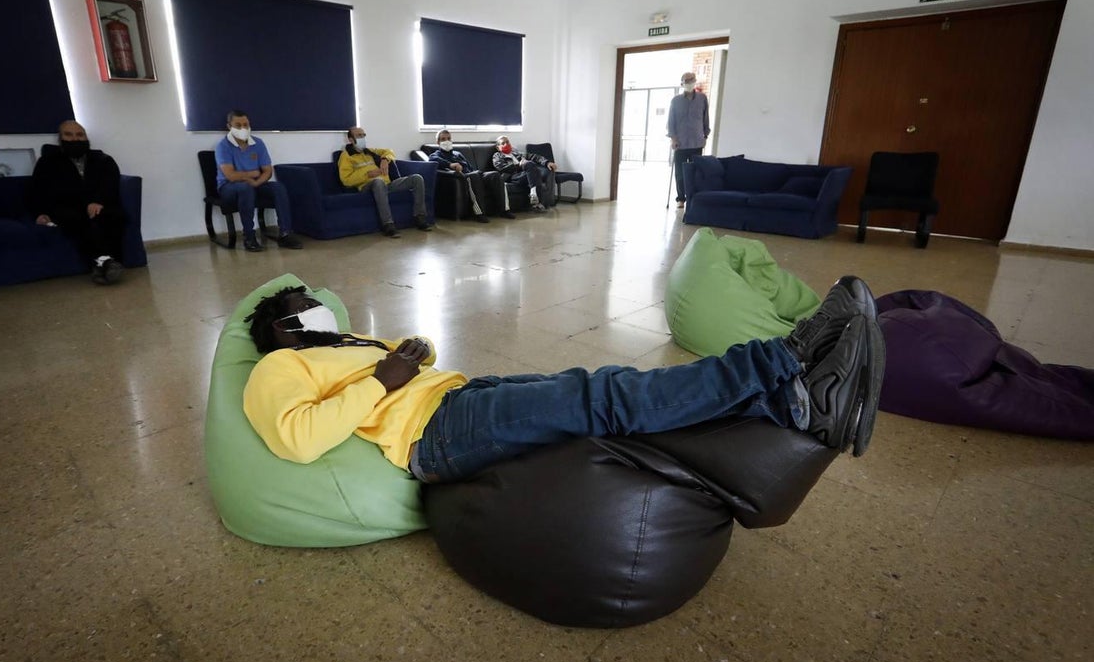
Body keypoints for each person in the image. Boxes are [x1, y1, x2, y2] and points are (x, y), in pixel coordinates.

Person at [242, 276, 885, 484]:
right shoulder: (277, 367)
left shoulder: (342, 341)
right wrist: (382, 379)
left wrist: (411, 355)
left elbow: (405, 367)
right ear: (283, 329)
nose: (318, 305)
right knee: (607, 397)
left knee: (596, 384)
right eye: (303, 305)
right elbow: (298, 439)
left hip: (458, 395)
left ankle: (792, 405)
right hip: (432, 436)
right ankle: (784, 358)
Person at [30, 120, 127, 285]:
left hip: (100, 205)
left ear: (86, 138)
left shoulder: (103, 160)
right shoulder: (47, 163)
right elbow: (38, 191)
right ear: (60, 139)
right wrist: (40, 213)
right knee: (77, 220)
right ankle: (107, 262)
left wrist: (98, 201)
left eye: (80, 135)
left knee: (112, 216)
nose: (75, 139)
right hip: (67, 208)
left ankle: (101, 266)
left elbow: (111, 185)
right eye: (69, 135)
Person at [215, 110, 303, 252]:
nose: (243, 128)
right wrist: (252, 174)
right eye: (238, 125)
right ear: (229, 126)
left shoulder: (258, 143)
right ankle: (249, 237)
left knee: (278, 187)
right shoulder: (223, 146)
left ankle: (285, 233)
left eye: (246, 124)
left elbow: (267, 170)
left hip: (255, 183)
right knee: (245, 188)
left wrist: (257, 181)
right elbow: (230, 175)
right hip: (228, 187)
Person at [338, 126, 433, 238]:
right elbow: (346, 180)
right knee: (378, 181)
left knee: (417, 178)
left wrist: (385, 159)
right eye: (359, 135)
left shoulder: (369, 151)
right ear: (350, 139)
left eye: (364, 135)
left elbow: (389, 151)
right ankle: (388, 224)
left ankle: (420, 217)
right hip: (366, 187)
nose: (362, 137)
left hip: (386, 184)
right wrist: (367, 175)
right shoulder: (346, 156)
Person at [427, 130, 513, 222]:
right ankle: (480, 213)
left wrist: (476, 173)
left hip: (474, 173)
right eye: (443, 139)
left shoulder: (457, 153)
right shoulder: (435, 155)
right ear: (438, 142)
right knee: (473, 176)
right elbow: (433, 159)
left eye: (449, 138)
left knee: (495, 175)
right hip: (464, 177)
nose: (447, 141)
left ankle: (504, 210)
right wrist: (450, 165)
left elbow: (470, 167)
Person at [666, 72, 710, 208]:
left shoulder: (702, 98)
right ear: (682, 83)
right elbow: (671, 121)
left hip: (697, 142)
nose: (689, 82)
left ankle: (694, 197)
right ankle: (681, 198)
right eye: (686, 80)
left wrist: (705, 135)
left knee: (696, 172)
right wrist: (673, 138)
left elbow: (705, 118)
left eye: (692, 80)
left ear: (695, 81)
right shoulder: (676, 101)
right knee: (680, 173)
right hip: (680, 143)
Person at [492, 136, 555, 213]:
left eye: (507, 142)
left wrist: (547, 162)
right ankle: (536, 200)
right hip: (511, 176)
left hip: (524, 174)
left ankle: (533, 194)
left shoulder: (515, 153)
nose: (506, 144)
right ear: (498, 147)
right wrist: (519, 165)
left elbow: (533, 156)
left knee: (532, 166)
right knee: (531, 167)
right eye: (503, 143)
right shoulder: (497, 156)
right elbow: (501, 167)